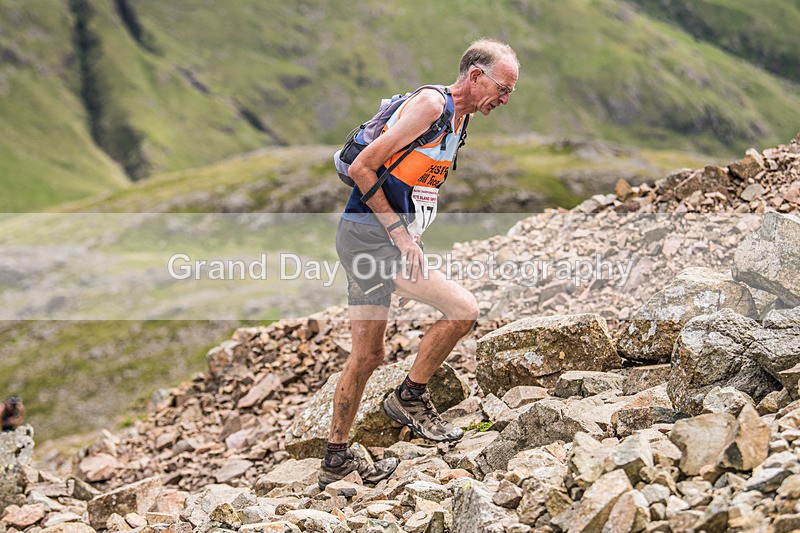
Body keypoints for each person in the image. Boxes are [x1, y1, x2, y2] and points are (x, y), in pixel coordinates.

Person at [319, 38, 519, 489]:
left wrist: (412, 236)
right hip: (369, 240)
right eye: (502, 89)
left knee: (369, 355)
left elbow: (415, 186)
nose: (504, 100)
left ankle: (335, 459)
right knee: (463, 309)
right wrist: (400, 235)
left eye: (510, 93)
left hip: (374, 238)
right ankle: (410, 397)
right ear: (474, 76)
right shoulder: (432, 105)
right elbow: (362, 169)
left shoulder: (460, 121)